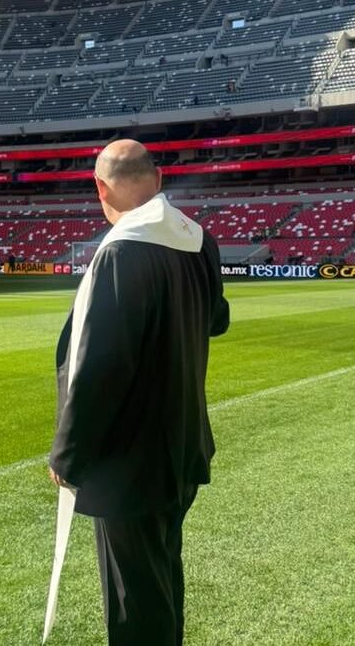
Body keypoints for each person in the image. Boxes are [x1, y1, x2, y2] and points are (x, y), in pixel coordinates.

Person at [48, 139, 230, 646]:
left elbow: (100, 369)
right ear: (160, 180)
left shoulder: (121, 252)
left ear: (100, 188)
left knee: (134, 598)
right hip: (183, 445)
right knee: (161, 577)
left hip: (130, 460)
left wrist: (68, 456)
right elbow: (218, 319)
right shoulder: (198, 240)